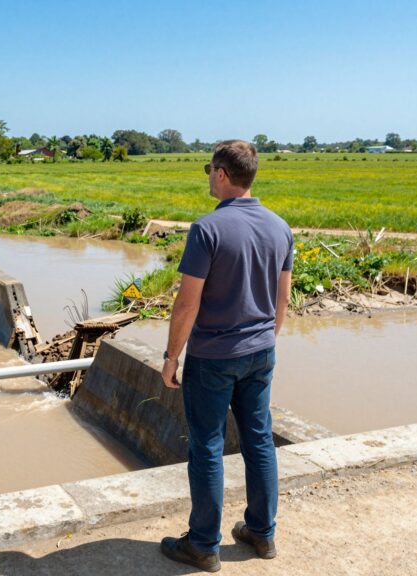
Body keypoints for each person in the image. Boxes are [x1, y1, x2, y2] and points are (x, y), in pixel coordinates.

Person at [159, 140, 293, 572]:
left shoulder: (207, 229)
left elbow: (187, 303)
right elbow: (282, 298)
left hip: (214, 356)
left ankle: (202, 544)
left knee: (208, 447)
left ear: (221, 174)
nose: (209, 179)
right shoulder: (280, 227)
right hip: (260, 352)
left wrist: (170, 357)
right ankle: (261, 532)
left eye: (209, 172)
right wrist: (265, 340)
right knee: (258, 441)